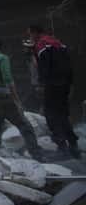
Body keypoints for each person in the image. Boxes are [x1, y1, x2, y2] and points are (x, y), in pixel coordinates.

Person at [28, 25, 79, 158]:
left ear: (34, 32)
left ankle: (62, 147)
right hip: (65, 84)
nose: (30, 37)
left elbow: (44, 66)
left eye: (30, 34)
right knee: (63, 114)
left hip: (52, 84)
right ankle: (73, 145)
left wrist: (42, 84)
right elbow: (69, 64)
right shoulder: (58, 43)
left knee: (51, 114)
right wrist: (71, 83)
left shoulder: (41, 45)